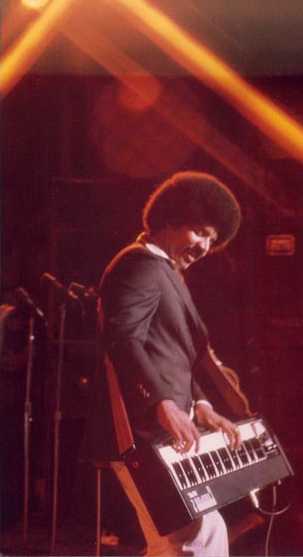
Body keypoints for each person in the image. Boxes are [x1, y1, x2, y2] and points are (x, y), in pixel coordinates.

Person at [81, 171, 242, 556]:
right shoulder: (139, 265)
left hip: (164, 432)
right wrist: (161, 404)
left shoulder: (163, 271)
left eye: (212, 240)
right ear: (171, 219)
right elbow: (123, 338)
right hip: (143, 433)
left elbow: (172, 356)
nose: (205, 247)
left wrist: (201, 405)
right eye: (200, 232)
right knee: (195, 536)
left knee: (191, 536)